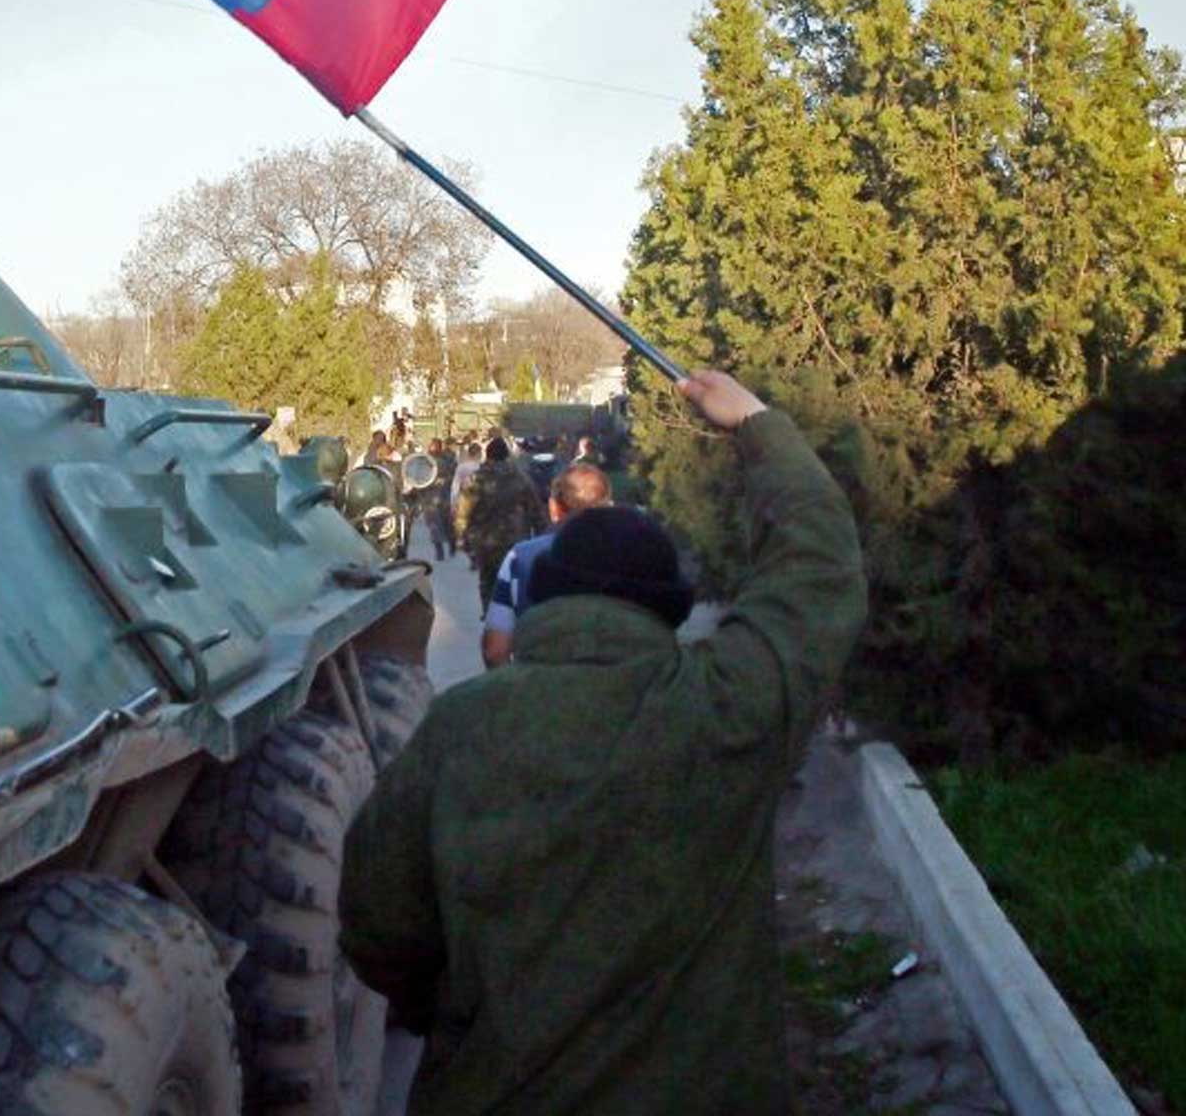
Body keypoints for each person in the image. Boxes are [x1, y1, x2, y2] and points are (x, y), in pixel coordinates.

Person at [338, 370, 866, 1116]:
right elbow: (819, 571)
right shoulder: (725, 709)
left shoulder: (459, 729)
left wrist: (469, 1013)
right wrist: (754, 423)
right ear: (669, 608)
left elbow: (377, 923)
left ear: (546, 596)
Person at [480, 461, 612, 668]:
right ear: (609, 506)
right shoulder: (634, 554)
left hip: (540, 689)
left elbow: (495, 649)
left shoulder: (520, 558)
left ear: (554, 508)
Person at [452, 436, 545, 610]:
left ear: (488, 455)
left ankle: (489, 613)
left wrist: (462, 539)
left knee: (487, 579)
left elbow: (462, 514)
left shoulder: (475, 479)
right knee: (513, 580)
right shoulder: (520, 478)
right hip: (515, 540)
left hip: (484, 542)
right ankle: (511, 613)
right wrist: (541, 536)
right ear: (506, 456)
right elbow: (536, 510)